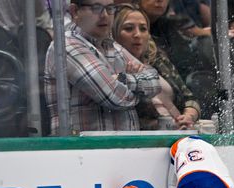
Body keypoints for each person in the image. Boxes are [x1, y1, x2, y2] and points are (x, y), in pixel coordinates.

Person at [44, 0, 161, 134]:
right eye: (96, 8)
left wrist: (121, 79)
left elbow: (155, 82)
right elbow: (115, 98)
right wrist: (140, 89)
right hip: (82, 150)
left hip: (122, 148)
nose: (105, 15)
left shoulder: (111, 45)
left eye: (110, 8)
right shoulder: (66, 46)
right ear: (74, 11)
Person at [112, 4, 201, 130]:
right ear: (114, 33)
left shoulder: (157, 59)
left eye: (143, 29)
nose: (137, 34)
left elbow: (189, 98)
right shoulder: (113, 69)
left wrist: (188, 116)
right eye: (128, 28)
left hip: (181, 132)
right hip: (149, 141)